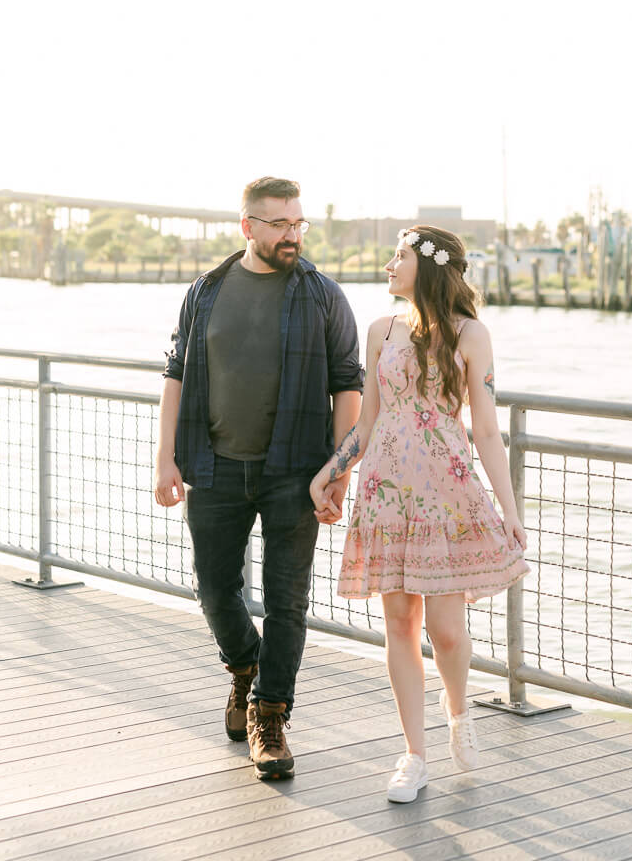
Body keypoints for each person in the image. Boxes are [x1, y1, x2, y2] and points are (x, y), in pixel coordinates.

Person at [310, 225, 528, 802]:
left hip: (448, 495)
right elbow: (366, 423)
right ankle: (413, 754)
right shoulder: (381, 330)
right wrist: (331, 472)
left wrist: (509, 510)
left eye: (399, 256)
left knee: (448, 632)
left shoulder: (470, 333)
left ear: (427, 266)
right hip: (386, 494)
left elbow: (485, 428)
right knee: (401, 625)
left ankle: (458, 712)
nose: (388, 264)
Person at [154, 177, 363, 780]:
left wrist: (338, 470)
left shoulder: (323, 296)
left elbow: (347, 386)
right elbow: (175, 375)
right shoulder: (206, 291)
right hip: (213, 466)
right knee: (213, 589)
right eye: (278, 224)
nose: (291, 234)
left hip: (296, 473)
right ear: (247, 226)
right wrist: (164, 458)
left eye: (298, 223)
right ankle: (245, 670)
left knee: (288, 601)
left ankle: (270, 718)